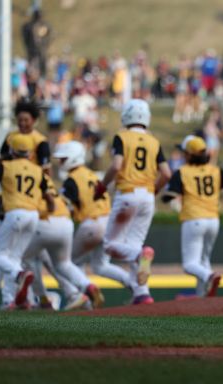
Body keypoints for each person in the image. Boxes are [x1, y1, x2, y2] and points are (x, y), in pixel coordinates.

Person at [95, 99, 171, 304]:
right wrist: (152, 191)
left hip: (127, 193)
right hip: (147, 196)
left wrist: (102, 186)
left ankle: (140, 256)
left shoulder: (122, 137)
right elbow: (166, 173)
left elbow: (117, 166)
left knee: (111, 245)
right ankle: (142, 293)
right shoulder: (154, 141)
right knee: (134, 243)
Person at [0, 133, 52, 309]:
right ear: (29, 153)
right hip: (33, 216)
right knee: (12, 257)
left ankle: (19, 276)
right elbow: (48, 196)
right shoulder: (37, 170)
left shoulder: (6, 166)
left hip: (15, 213)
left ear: (12, 151)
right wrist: (50, 208)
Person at [163, 135, 223, 297]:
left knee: (190, 265)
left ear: (189, 155)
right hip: (213, 221)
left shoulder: (183, 172)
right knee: (204, 261)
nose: (183, 155)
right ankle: (203, 297)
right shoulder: (215, 171)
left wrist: (166, 194)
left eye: (184, 152)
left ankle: (210, 276)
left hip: (194, 219)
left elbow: (169, 195)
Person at [55, 140, 136, 308]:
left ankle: (78, 295)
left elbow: (64, 206)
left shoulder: (72, 179)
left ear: (72, 158)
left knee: (64, 264)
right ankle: (136, 287)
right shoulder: (94, 175)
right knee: (100, 266)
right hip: (109, 223)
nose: (61, 162)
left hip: (92, 224)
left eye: (63, 158)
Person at [22, 173, 104, 310]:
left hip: (43, 222)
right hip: (65, 222)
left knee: (19, 259)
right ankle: (86, 286)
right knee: (63, 263)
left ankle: (39, 299)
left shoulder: (25, 174)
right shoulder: (47, 178)